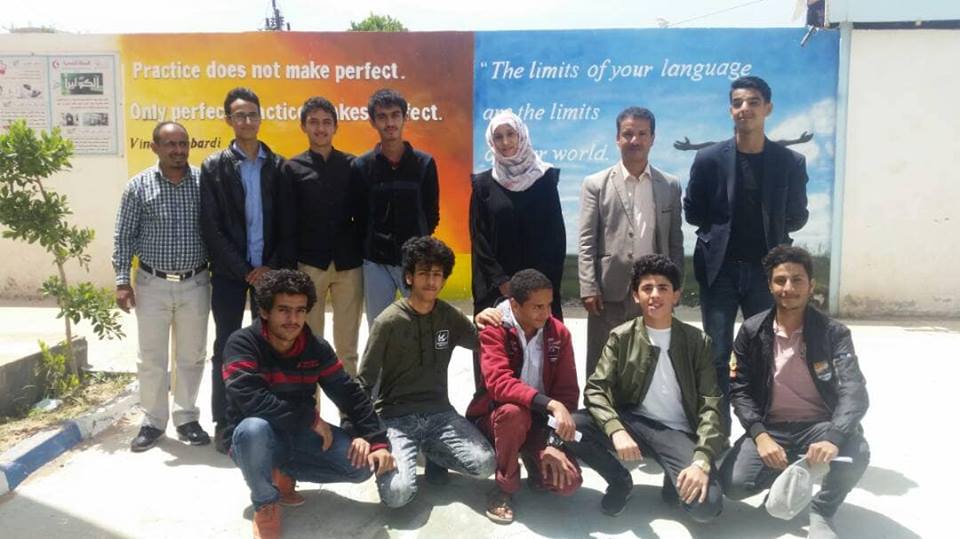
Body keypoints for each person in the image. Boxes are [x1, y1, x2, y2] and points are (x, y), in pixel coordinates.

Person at [222, 269, 394, 539]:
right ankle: (265, 503)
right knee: (253, 429)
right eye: (284, 310)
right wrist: (311, 419)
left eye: (300, 311)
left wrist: (375, 439)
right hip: (254, 437)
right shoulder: (242, 344)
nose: (293, 320)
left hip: (298, 434)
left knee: (361, 466)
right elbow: (251, 399)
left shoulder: (315, 347)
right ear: (264, 311)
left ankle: (282, 472)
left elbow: (348, 392)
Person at [683, 76, 810, 419]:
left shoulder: (789, 162)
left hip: (766, 274)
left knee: (764, 351)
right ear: (730, 110)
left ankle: (762, 428)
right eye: (738, 103)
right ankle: (716, 430)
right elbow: (693, 212)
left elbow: (797, 216)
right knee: (716, 353)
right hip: (720, 271)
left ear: (768, 108)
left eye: (753, 102)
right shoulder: (709, 159)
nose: (745, 109)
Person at [721, 245, 869, 539]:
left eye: (797, 280)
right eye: (780, 280)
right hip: (772, 426)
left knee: (856, 453)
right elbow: (740, 389)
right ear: (769, 285)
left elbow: (854, 390)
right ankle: (785, 478)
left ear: (811, 285)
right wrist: (760, 436)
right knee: (734, 484)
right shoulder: (751, 331)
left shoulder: (833, 333)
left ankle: (822, 511)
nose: (788, 288)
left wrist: (834, 437)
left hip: (818, 425)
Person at [569, 254, 724, 522]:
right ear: (635, 295)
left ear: (676, 295)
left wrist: (701, 459)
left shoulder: (697, 341)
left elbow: (711, 402)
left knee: (706, 507)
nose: (654, 295)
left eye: (663, 288)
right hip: (633, 423)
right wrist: (615, 428)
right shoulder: (621, 337)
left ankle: (673, 478)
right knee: (567, 426)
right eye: (647, 288)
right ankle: (619, 480)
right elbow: (595, 389)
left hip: (677, 433)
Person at [357, 236, 496, 508]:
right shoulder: (388, 321)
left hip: (439, 413)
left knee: (485, 464)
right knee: (397, 496)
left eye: (437, 274)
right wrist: (370, 437)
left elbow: (482, 342)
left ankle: (432, 452)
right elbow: (365, 381)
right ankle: (402, 459)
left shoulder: (449, 316)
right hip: (396, 417)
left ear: (443, 280)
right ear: (409, 277)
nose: (431, 281)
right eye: (423, 273)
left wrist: (486, 318)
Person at [112, 121, 211, 452]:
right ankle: (153, 421)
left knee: (192, 355)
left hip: (195, 282)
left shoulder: (203, 183)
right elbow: (123, 236)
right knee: (152, 357)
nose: (178, 150)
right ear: (154, 147)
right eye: (170, 144)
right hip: (152, 283)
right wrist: (122, 281)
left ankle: (186, 417)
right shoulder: (138, 187)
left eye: (183, 143)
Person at [201, 87, 286, 453]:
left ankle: (268, 417)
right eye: (240, 115)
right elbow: (211, 226)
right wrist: (244, 269)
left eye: (253, 114)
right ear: (229, 120)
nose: (247, 121)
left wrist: (268, 268)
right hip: (229, 274)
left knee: (271, 345)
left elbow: (288, 224)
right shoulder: (214, 167)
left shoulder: (278, 166)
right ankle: (225, 420)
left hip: (270, 273)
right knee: (226, 345)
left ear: (260, 118)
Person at [466, 269, 581, 524]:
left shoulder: (558, 333)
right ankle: (504, 488)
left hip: (538, 423)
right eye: (538, 307)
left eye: (549, 305)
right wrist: (550, 404)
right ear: (515, 305)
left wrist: (553, 443)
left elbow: (568, 393)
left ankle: (533, 456)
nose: (546, 313)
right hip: (495, 418)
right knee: (514, 413)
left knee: (568, 483)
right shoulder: (494, 328)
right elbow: (499, 383)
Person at [578, 107, 683, 377]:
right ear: (617, 138)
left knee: (649, 363)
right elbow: (587, 240)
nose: (635, 140)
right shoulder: (595, 184)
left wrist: (675, 284)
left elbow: (675, 241)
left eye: (642, 134)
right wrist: (589, 287)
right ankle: (598, 404)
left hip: (653, 290)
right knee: (602, 362)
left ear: (652, 138)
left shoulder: (670, 185)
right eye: (628, 134)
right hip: (608, 291)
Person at [279, 96, 363, 376]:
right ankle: (309, 403)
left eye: (327, 122)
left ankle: (349, 402)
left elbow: (362, 214)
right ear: (303, 126)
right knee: (308, 343)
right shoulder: (292, 168)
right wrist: (290, 272)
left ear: (336, 127)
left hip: (348, 265)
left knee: (347, 345)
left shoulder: (352, 165)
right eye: (313, 122)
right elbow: (287, 223)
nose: (320, 128)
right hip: (309, 266)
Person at [352, 88, 440, 327]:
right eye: (382, 117)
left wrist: (418, 245)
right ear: (372, 121)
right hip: (376, 263)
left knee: (422, 326)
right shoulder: (361, 166)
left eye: (395, 115)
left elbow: (431, 213)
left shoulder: (424, 163)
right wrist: (371, 246)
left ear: (404, 117)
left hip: (416, 262)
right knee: (380, 327)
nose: (389, 123)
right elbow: (358, 216)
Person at [470, 110, 566, 320]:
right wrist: (501, 281)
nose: (505, 142)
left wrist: (536, 285)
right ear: (491, 142)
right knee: (497, 340)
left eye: (510, 134)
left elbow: (555, 237)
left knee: (541, 339)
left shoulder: (545, 179)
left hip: (539, 288)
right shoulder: (483, 185)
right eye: (498, 136)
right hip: (497, 290)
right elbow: (479, 239)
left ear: (521, 135)